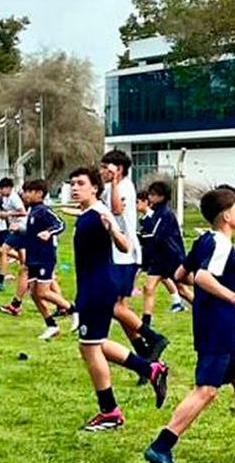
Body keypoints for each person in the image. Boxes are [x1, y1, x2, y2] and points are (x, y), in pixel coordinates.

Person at [145, 187, 235, 463]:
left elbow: (180, 275)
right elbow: (201, 276)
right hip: (219, 326)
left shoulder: (207, 241)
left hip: (218, 327)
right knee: (207, 390)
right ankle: (161, 446)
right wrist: (231, 296)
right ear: (226, 215)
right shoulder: (220, 245)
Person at [69, 166, 169, 431]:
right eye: (72, 184)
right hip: (92, 287)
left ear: (94, 187)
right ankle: (151, 370)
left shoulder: (100, 212)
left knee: (90, 348)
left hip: (98, 288)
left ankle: (110, 411)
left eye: (80, 183)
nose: (74, 187)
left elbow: (124, 244)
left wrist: (112, 231)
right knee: (92, 344)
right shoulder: (87, 213)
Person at [99, 150, 168, 361]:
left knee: (114, 307)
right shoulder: (111, 188)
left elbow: (117, 211)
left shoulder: (124, 187)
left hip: (124, 255)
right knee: (121, 311)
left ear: (117, 169)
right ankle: (146, 356)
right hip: (116, 254)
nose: (101, 171)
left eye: (105, 167)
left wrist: (116, 182)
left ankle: (154, 338)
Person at [19, 179, 72, 340]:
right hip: (33, 258)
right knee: (34, 294)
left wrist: (49, 232)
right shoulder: (33, 211)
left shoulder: (43, 210)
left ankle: (73, 309)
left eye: (29, 191)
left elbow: (60, 224)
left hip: (44, 258)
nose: (25, 195)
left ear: (39, 194)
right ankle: (51, 325)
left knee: (43, 292)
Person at [138, 182, 191, 319]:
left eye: (153, 194)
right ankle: (146, 322)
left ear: (162, 196)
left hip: (171, 258)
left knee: (183, 288)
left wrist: (137, 237)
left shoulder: (165, 214)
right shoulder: (155, 213)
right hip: (158, 259)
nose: (150, 197)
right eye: (150, 194)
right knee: (148, 288)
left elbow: (157, 235)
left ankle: (206, 309)